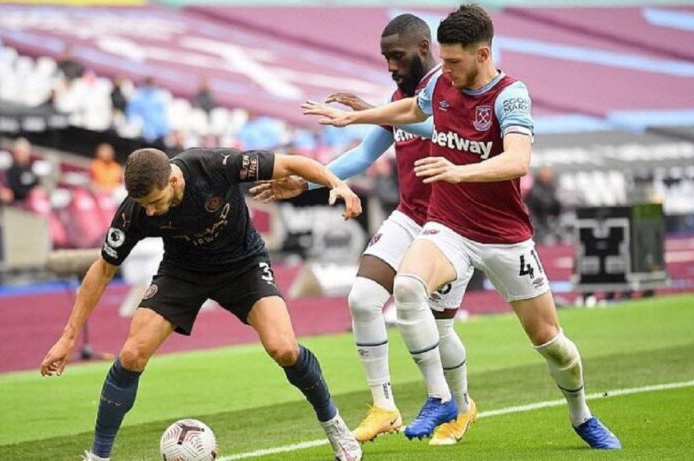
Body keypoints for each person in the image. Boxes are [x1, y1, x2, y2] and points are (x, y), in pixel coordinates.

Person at [302, 4, 621, 449]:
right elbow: (414, 110)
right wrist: (354, 118)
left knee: (550, 341)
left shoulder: (510, 95)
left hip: (504, 236)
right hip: (448, 226)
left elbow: (518, 160)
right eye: (443, 59)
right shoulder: (441, 85)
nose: (445, 70)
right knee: (408, 287)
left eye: (453, 61)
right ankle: (441, 398)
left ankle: (581, 414)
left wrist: (458, 171)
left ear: (482, 54)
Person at [40, 147, 364, 461]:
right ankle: (98, 456)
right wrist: (68, 337)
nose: (149, 212)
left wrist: (337, 184)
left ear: (173, 181)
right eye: (144, 205)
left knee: (285, 349)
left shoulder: (215, 165)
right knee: (132, 353)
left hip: (244, 265)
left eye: (155, 202)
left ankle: (334, 425)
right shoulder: (135, 211)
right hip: (183, 272)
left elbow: (292, 163)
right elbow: (103, 270)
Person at [250, 14, 477, 446]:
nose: (391, 65)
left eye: (398, 56)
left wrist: (372, 113)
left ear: (424, 48)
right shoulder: (397, 99)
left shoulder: (450, 87)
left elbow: (440, 127)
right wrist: (308, 181)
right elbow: (362, 155)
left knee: (440, 327)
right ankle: (384, 407)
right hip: (411, 215)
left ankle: (461, 406)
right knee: (362, 298)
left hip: (453, 224)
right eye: (385, 57)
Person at [525, 166, 562, 244]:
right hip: (537, 208)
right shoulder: (535, 186)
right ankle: (541, 226)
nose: (547, 177)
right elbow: (532, 198)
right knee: (542, 204)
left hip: (549, 207)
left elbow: (553, 196)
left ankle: (555, 224)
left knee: (557, 204)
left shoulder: (551, 186)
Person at [5, 138, 39, 203]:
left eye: (23, 152)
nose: (20, 155)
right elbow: (13, 190)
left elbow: (36, 184)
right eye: (18, 152)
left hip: (32, 200)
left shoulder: (32, 169)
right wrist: (29, 193)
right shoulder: (12, 170)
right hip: (18, 202)